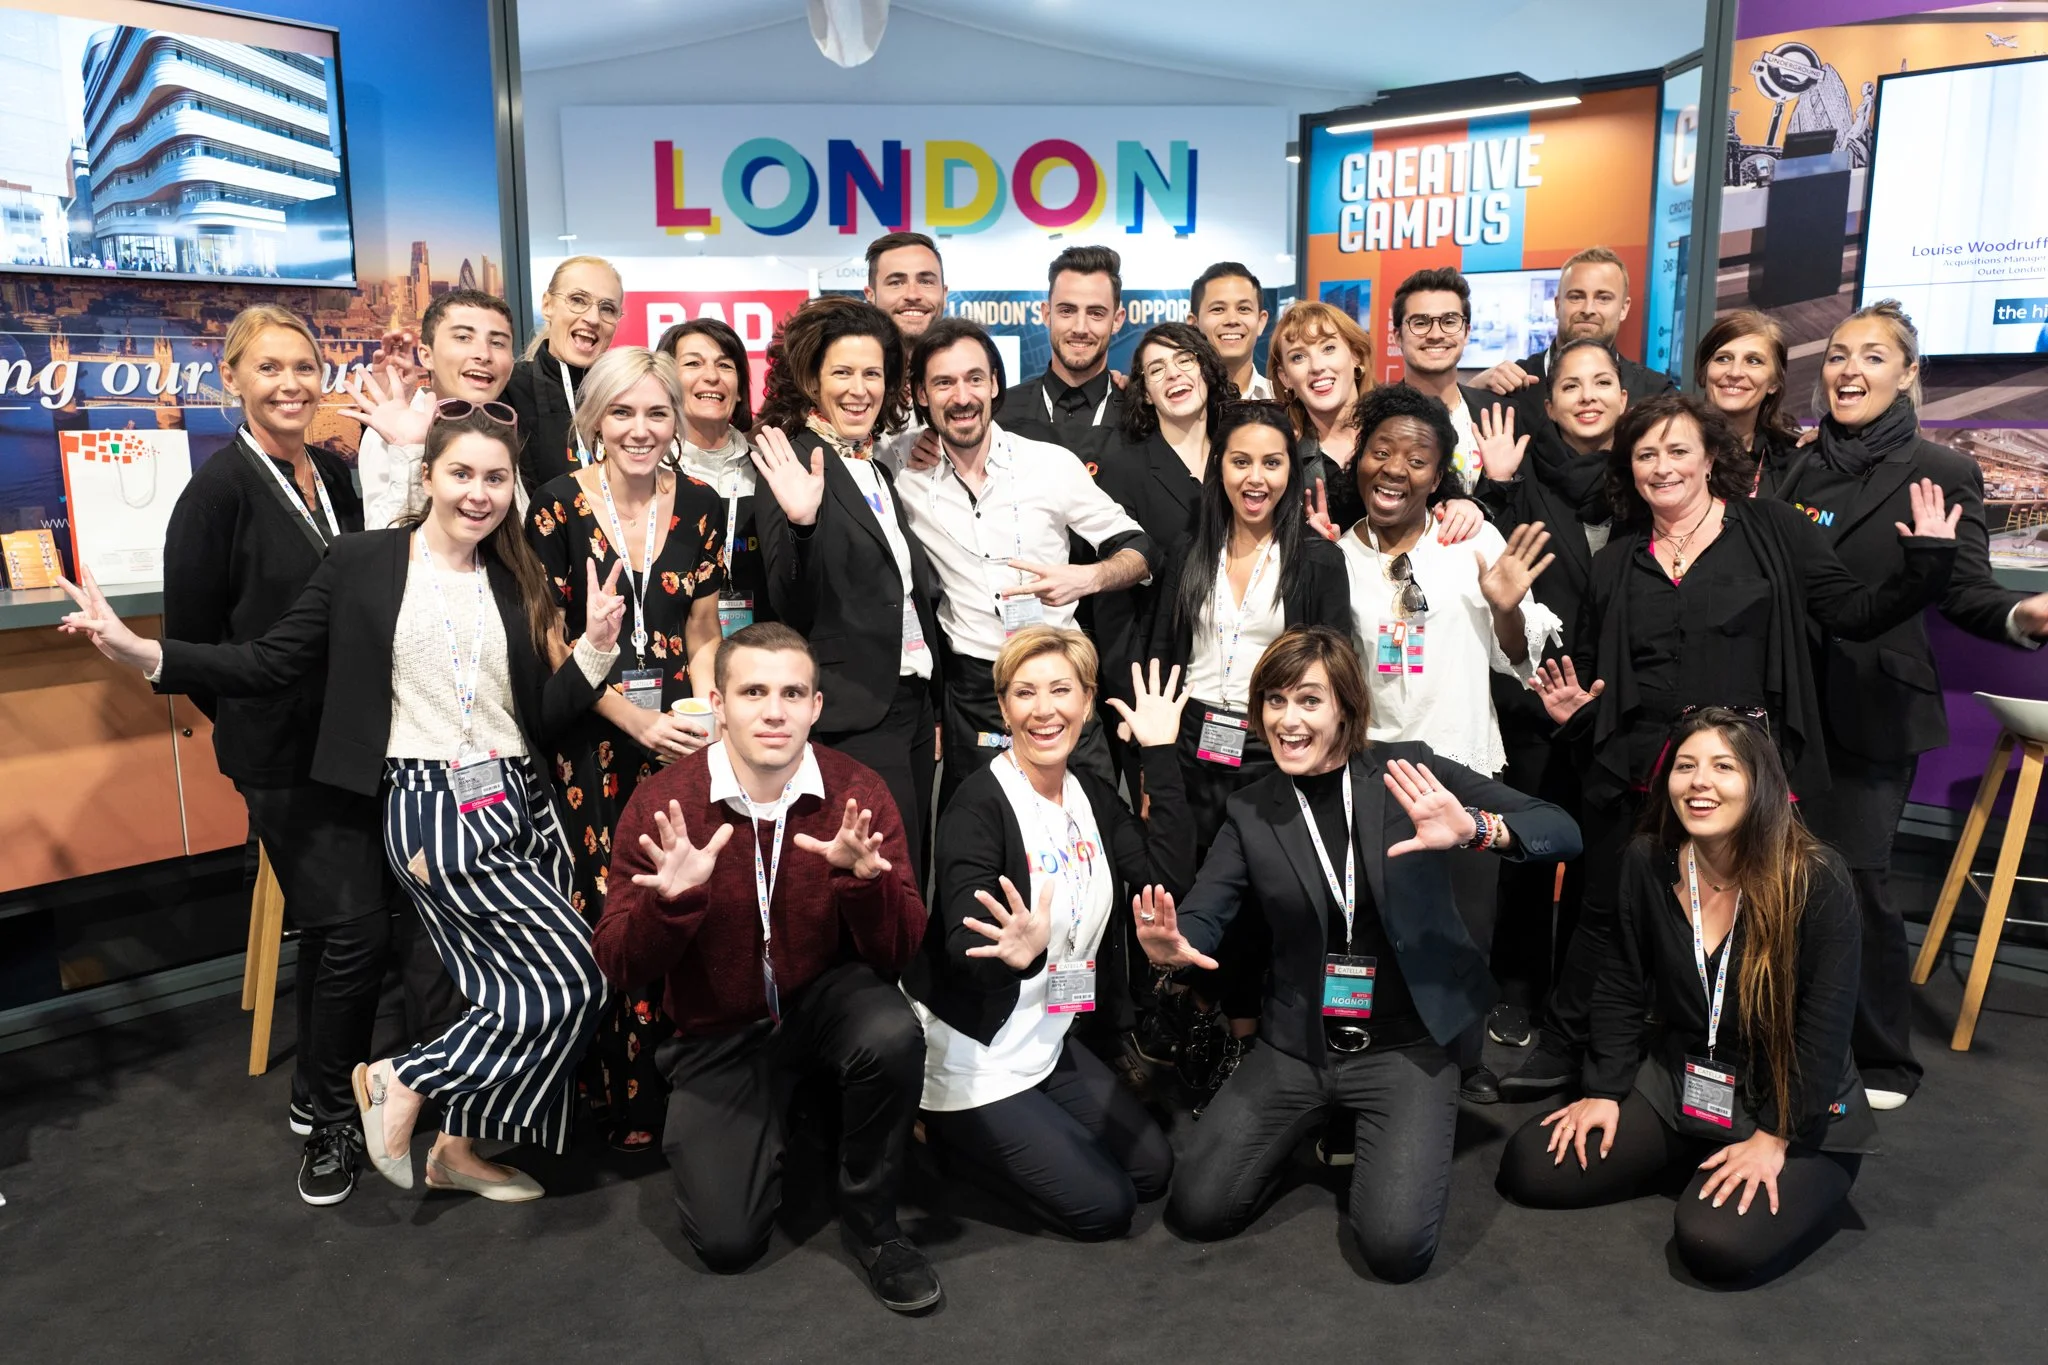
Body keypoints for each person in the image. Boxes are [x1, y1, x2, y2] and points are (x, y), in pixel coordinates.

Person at [61, 405, 626, 1200]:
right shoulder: (364, 561)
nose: (479, 492)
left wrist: (596, 645)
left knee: (510, 988)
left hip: (521, 802)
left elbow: (536, 714)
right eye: (462, 473)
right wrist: (145, 653)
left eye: (496, 478)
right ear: (427, 476)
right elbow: (268, 660)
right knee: (576, 979)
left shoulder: (513, 574)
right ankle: (404, 1076)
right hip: (435, 807)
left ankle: (456, 1148)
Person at [1502, 392, 1964, 1101]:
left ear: (1711, 457)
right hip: (1632, 767)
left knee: (1752, 918)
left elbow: (1855, 612)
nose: (1662, 467)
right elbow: (1592, 666)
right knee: (1604, 910)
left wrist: (1927, 561)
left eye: (1678, 450)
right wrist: (1575, 707)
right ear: (1630, 468)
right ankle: (1569, 1044)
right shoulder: (1617, 559)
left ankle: (1748, 1061)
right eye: (1646, 454)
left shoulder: (1773, 529)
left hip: (1738, 773)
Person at [1134, 626, 1581, 1282]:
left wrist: (1477, 829)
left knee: (1395, 1250)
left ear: (1346, 706)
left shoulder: (1408, 770)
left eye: (1309, 700)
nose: (1288, 719)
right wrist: (1174, 949)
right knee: (1197, 1208)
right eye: (1275, 701)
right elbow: (1202, 913)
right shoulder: (1252, 810)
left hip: (1407, 1044)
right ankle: (1319, 1123)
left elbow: (1560, 830)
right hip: (1298, 1045)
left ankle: (1379, 1123)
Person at [591, 623, 938, 1312]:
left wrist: (865, 886)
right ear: (718, 704)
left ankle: (873, 1226)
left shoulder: (857, 791)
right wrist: (671, 904)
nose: (774, 711)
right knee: (727, 1243)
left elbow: (900, 952)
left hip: (826, 1007)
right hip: (719, 1030)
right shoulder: (665, 803)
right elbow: (619, 964)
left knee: (893, 1032)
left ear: (815, 705)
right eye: (753, 692)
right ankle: (792, 1116)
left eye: (791, 693)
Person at [1764, 300, 2047, 1108]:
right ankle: (1789, 1035)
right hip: (1787, 700)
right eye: (1838, 355)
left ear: (1908, 373)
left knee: (1857, 880)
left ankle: (1884, 1057)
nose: (1849, 370)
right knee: (1781, 878)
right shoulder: (1796, 465)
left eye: (1873, 356)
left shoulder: (1941, 469)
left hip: (1874, 706)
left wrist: (2019, 616)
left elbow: (1963, 589)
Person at [1498, 709, 1877, 1284]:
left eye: (1723, 767)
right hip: (1681, 1085)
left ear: (1761, 783)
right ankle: (1693, 1154)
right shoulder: (1647, 860)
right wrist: (1603, 1090)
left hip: (1791, 1104)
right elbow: (1621, 983)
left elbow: (1824, 1026)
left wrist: (1774, 1135)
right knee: (1531, 1167)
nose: (1700, 782)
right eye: (1685, 766)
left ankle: (1792, 1175)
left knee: (1714, 1244)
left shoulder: (1815, 876)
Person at [161, 304, 380, 1205]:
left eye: (303, 366)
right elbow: (192, 649)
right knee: (355, 928)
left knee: (337, 926)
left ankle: (314, 1090)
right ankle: (329, 1118)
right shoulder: (216, 494)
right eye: (269, 367)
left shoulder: (336, 472)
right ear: (233, 379)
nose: (290, 384)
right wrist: (262, 718)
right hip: (283, 753)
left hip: (358, 735)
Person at [904, 629, 1192, 1238]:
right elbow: (963, 951)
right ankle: (941, 1135)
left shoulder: (1090, 795)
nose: (1044, 710)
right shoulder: (977, 806)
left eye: (1061, 690)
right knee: (1107, 1208)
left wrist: (1160, 755)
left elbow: (1164, 881)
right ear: (1003, 706)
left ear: (1086, 702)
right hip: (974, 1050)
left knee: (1153, 1171)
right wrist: (1014, 957)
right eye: (1025, 692)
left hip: (1046, 1036)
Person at [1336, 383, 1562, 1104]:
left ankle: (1462, 1066)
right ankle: (1375, 1069)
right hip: (1368, 774)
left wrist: (1506, 610)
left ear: (1439, 476)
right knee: (1373, 927)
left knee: (1463, 928)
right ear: (1359, 459)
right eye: (1381, 451)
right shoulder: (1334, 555)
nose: (1395, 469)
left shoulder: (1471, 543)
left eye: (1417, 459)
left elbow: (1519, 659)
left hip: (1461, 766)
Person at [528, 346, 726, 1149]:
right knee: (609, 906)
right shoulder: (556, 506)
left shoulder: (704, 504)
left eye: (656, 412)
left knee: (682, 897)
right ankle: (616, 1095)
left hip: (681, 736)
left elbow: (703, 629)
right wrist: (632, 720)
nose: (640, 429)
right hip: (594, 736)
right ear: (594, 419)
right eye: (622, 412)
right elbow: (549, 641)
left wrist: (705, 710)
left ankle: (687, 1088)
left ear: (675, 419)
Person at [1144, 401, 1351, 1064]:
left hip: (1276, 747)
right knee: (1199, 882)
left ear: (1292, 470)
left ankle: (1249, 1031)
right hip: (1193, 739)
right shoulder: (1189, 550)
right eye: (1240, 461)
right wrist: (1152, 760)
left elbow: (1335, 668)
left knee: (1265, 893)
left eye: (1271, 462)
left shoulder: (1317, 559)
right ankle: (1204, 1009)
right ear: (1219, 467)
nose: (1255, 477)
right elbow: (1163, 653)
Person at [892, 318, 1152, 807]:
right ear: (922, 395)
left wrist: (1088, 577)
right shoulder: (902, 474)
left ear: (995, 384)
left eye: (974, 378)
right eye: (943, 383)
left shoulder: (1050, 464)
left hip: (1059, 675)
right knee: (979, 829)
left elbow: (1140, 551)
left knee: (1095, 820)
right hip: (976, 689)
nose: (962, 397)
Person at [1472, 339, 1631, 1049]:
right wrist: (1494, 487)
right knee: (1529, 851)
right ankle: (1516, 991)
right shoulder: (1519, 473)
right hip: (1532, 696)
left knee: (1605, 860)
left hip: (1615, 699)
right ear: (1551, 400)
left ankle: (1584, 998)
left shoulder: (1644, 477)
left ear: (1623, 397)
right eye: (1571, 385)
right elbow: (1481, 560)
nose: (1587, 396)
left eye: (1601, 383)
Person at [749, 296, 942, 877]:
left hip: (910, 699)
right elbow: (789, 601)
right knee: (879, 876)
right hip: (853, 709)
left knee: (910, 870)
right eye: (842, 373)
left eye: (872, 374)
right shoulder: (791, 461)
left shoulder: (874, 464)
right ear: (812, 380)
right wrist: (803, 525)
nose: (859, 390)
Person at [351, 289, 520, 531]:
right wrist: (412, 451)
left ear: (512, 363)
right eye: (463, 338)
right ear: (426, 355)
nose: (484, 355)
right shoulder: (390, 431)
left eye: (497, 343)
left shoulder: (506, 428)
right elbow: (384, 538)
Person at [1469, 247, 1677, 417]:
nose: (1588, 309)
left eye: (1603, 298)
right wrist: (1472, 391)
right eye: (1576, 297)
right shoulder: (1510, 385)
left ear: (1624, 308)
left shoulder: (1655, 394)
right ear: (1557, 305)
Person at [660, 317, 766, 636]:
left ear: (740, 388)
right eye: (693, 363)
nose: (712, 376)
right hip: (671, 646)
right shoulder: (647, 471)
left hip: (760, 646)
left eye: (725, 365)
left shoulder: (769, 468)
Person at [504, 255, 625, 491]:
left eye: (607, 308)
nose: (593, 318)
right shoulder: (508, 389)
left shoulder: (626, 393)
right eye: (578, 300)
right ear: (547, 305)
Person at [994, 245, 1127, 451]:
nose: (1080, 328)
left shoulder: (1142, 414)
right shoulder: (999, 414)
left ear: (1117, 320)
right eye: (1067, 311)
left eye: (1096, 313)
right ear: (1047, 315)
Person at [1272, 301, 1373, 534]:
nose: (1316, 366)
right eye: (1298, 357)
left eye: (1328, 348)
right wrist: (1314, 546)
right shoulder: (1284, 461)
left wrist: (1454, 504)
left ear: (1356, 355)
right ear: (1285, 377)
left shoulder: (1402, 429)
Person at [1389, 266, 1490, 490]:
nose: (1436, 335)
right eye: (1420, 323)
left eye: (1449, 321)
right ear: (1398, 336)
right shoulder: (1377, 420)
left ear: (1466, 332)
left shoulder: (1497, 414)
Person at [864, 231, 949, 469]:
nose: (912, 295)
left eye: (926, 281)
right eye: (896, 282)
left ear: (944, 294)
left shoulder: (969, 381)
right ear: (870, 296)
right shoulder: (844, 382)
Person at [1695, 310, 1801, 494]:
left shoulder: (1793, 460)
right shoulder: (1671, 445)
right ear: (1704, 373)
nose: (1735, 372)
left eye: (1753, 361)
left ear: (1774, 382)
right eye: (1723, 358)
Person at [1191, 261, 1272, 400]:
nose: (1232, 320)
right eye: (1218, 309)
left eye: (1243, 309)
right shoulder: (1178, 402)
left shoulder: (1283, 400)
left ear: (1260, 322)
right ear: (1194, 324)